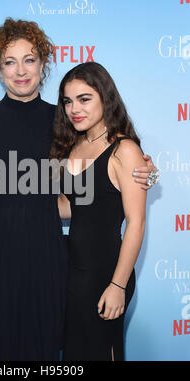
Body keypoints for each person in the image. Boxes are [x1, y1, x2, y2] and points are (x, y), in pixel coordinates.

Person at [0, 18, 157, 361]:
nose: (20, 71)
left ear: (43, 64)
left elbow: (100, 179)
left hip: (45, 254)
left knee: (42, 348)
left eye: (30, 60)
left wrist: (149, 173)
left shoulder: (67, 122)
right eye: (10, 61)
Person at [50, 62, 150, 361]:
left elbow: (136, 222)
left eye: (84, 99)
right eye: (67, 101)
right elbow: (72, 206)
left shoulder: (125, 150)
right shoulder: (73, 145)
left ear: (105, 97)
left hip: (107, 272)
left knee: (103, 352)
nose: (74, 109)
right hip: (73, 271)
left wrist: (118, 285)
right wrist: (23, 208)